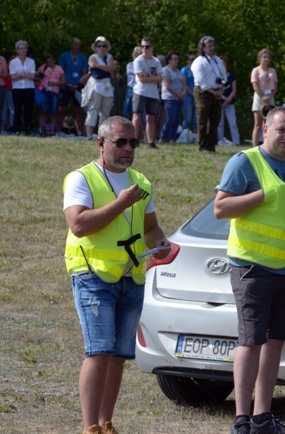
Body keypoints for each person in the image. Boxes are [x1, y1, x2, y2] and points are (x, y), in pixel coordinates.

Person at [63, 115, 170, 434]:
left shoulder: (142, 181)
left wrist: (161, 244)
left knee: (119, 355)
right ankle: (89, 427)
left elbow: (151, 228)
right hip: (92, 274)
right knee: (98, 350)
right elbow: (79, 225)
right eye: (120, 142)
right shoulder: (80, 178)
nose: (128, 148)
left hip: (132, 276)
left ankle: (106, 423)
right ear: (100, 143)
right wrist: (121, 203)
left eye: (133, 142)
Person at [215, 106, 285, 434]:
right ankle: (242, 421)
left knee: (275, 343)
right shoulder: (246, 161)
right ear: (265, 129)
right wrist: (261, 195)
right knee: (251, 341)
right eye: (281, 130)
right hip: (252, 268)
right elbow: (221, 207)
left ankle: (262, 418)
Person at [191, 35, 227, 152]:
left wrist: (220, 91)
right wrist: (214, 92)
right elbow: (202, 82)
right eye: (209, 46)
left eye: (213, 45)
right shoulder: (198, 62)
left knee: (215, 120)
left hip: (217, 92)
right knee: (202, 119)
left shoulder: (218, 60)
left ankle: (211, 146)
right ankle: (202, 146)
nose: (212, 48)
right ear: (203, 48)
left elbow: (224, 77)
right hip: (203, 93)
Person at [132, 37, 162, 149]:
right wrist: (152, 77)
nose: (144, 48)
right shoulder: (138, 61)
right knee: (137, 116)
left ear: (152, 48)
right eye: (142, 46)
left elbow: (160, 78)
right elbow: (141, 79)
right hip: (140, 91)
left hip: (153, 93)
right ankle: (134, 141)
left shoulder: (156, 61)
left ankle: (151, 142)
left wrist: (148, 76)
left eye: (147, 46)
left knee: (151, 118)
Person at [83, 36, 115, 138]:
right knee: (93, 109)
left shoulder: (109, 57)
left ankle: (101, 135)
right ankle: (89, 135)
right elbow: (92, 66)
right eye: (99, 46)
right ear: (96, 47)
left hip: (107, 85)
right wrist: (105, 69)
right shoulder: (92, 57)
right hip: (96, 84)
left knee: (105, 111)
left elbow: (110, 68)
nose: (101, 48)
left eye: (104, 46)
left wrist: (98, 66)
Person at [57, 37, 89, 135]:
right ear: (71, 45)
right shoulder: (64, 56)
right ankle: (57, 131)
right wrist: (67, 84)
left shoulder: (83, 57)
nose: (77, 46)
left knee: (79, 110)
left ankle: (80, 133)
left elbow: (84, 73)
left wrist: (78, 85)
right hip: (65, 86)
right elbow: (60, 71)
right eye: (75, 44)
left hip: (78, 87)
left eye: (79, 44)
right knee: (62, 109)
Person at [251, 48, 278, 147]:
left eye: (268, 57)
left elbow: (275, 87)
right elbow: (255, 85)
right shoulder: (256, 70)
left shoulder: (273, 71)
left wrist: (269, 97)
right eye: (264, 57)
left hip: (270, 97)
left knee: (268, 123)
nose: (266, 59)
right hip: (259, 97)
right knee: (258, 124)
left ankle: (266, 145)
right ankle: (254, 146)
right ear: (260, 58)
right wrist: (263, 97)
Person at [9, 40, 36, 134]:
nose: (24, 50)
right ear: (17, 50)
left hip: (29, 88)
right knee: (17, 109)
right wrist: (25, 75)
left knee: (28, 109)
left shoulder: (31, 61)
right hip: (17, 89)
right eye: (22, 48)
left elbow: (33, 76)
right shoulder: (13, 62)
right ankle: (16, 130)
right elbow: (13, 77)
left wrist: (21, 75)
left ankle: (28, 129)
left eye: (25, 48)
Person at [160, 50, 185, 143]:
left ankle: (171, 138)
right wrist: (178, 94)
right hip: (170, 98)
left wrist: (183, 93)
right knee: (171, 119)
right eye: (174, 59)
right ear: (169, 60)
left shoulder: (179, 72)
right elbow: (167, 85)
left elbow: (183, 84)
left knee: (177, 119)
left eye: (177, 59)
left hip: (179, 98)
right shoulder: (165, 70)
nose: (177, 61)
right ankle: (162, 138)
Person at [36, 54, 65, 133]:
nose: (49, 64)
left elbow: (63, 81)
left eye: (51, 62)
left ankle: (53, 130)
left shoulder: (59, 69)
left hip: (54, 91)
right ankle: (41, 129)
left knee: (54, 111)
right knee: (43, 111)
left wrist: (55, 83)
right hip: (43, 91)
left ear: (54, 61)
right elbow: (36, 78)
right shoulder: (43, 67)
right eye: (48, 62)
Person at [217, 56, 239, 145]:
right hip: (219, 103)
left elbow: (234, 90)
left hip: (230, 103)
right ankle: (220, 141)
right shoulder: (217, 77)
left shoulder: (231, 76)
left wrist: (228, 99)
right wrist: (224, 98)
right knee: (220, 124)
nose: (223, 65)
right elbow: (216, 90)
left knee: (233, 123)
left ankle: (236, 142)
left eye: (224, 63)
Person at [122, 46, 141, 120]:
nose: (137, 56)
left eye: (139, 54)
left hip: (138, 89)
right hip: (130, 88)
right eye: (136, 54)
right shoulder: (130, 65)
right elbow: (136, 73)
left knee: (135, 110)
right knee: (126, 109)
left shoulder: (143, 66)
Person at [181, 52, 197, 133]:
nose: (191, 61)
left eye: (193, 59)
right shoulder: (184, 70)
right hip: (187, 96)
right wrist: (194, 96)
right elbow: (184, 85)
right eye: (189, 59)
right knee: (187, 118)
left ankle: (196, 138)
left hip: (197, 96)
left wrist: (196, 97)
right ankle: (184, 137)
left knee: (196, 119)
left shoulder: (198, 70)